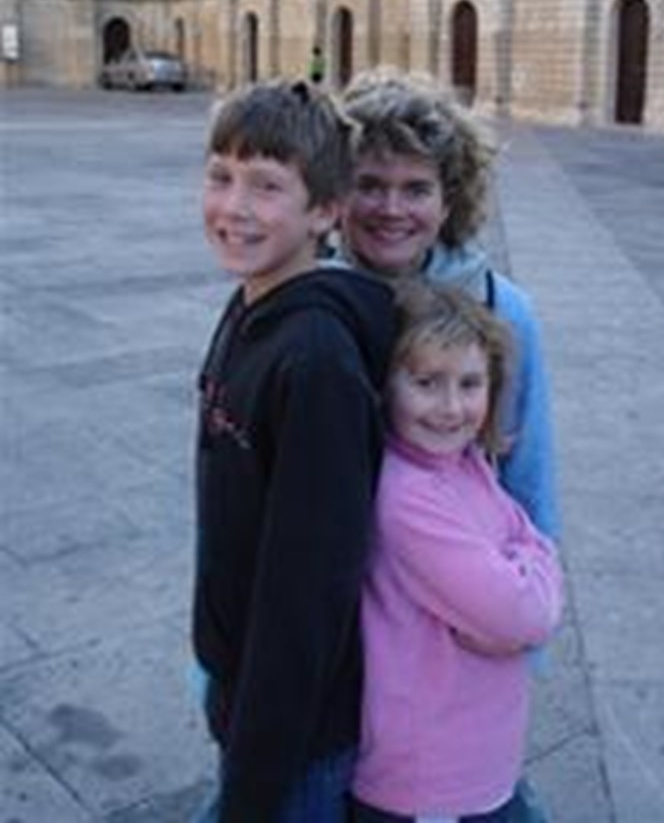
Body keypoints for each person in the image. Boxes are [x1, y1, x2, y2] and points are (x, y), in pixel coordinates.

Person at [191, 80, 395, 823]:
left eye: (267, 185)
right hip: (245, 691)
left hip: (295, 731)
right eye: (221, 176)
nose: (234, 206)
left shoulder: (316, 364)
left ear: (326, 211)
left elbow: (308, 592)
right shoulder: (251, 304)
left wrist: (255, 772)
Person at [350, 282, 564, 822]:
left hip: (477, 760)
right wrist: (527, 569)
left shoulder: (466, 464)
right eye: (426, 383)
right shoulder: (407, 497)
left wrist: (527, 564)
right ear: (386, 386)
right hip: (429, 779)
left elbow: (534, 543)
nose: (450, 408)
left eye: (470, 384)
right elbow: (527, 613)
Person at [339, 70, 559, 542]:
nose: (391, 209)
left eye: (416, 189)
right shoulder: (308, 300)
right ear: (336, 193)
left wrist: (538, 569)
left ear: (448, 203)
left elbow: (527, 471)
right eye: (370, 185)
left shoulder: (501, 308)